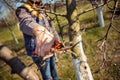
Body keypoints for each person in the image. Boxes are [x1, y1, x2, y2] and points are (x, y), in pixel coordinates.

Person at [15, 0, 60, 80]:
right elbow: (25, 22)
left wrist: (57, 42)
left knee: (54, 71)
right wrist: (37, 30)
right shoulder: (23, 9)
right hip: (38, 51)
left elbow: (51, 28)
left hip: (50, 47)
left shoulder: (42, 9)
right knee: (47, 75)